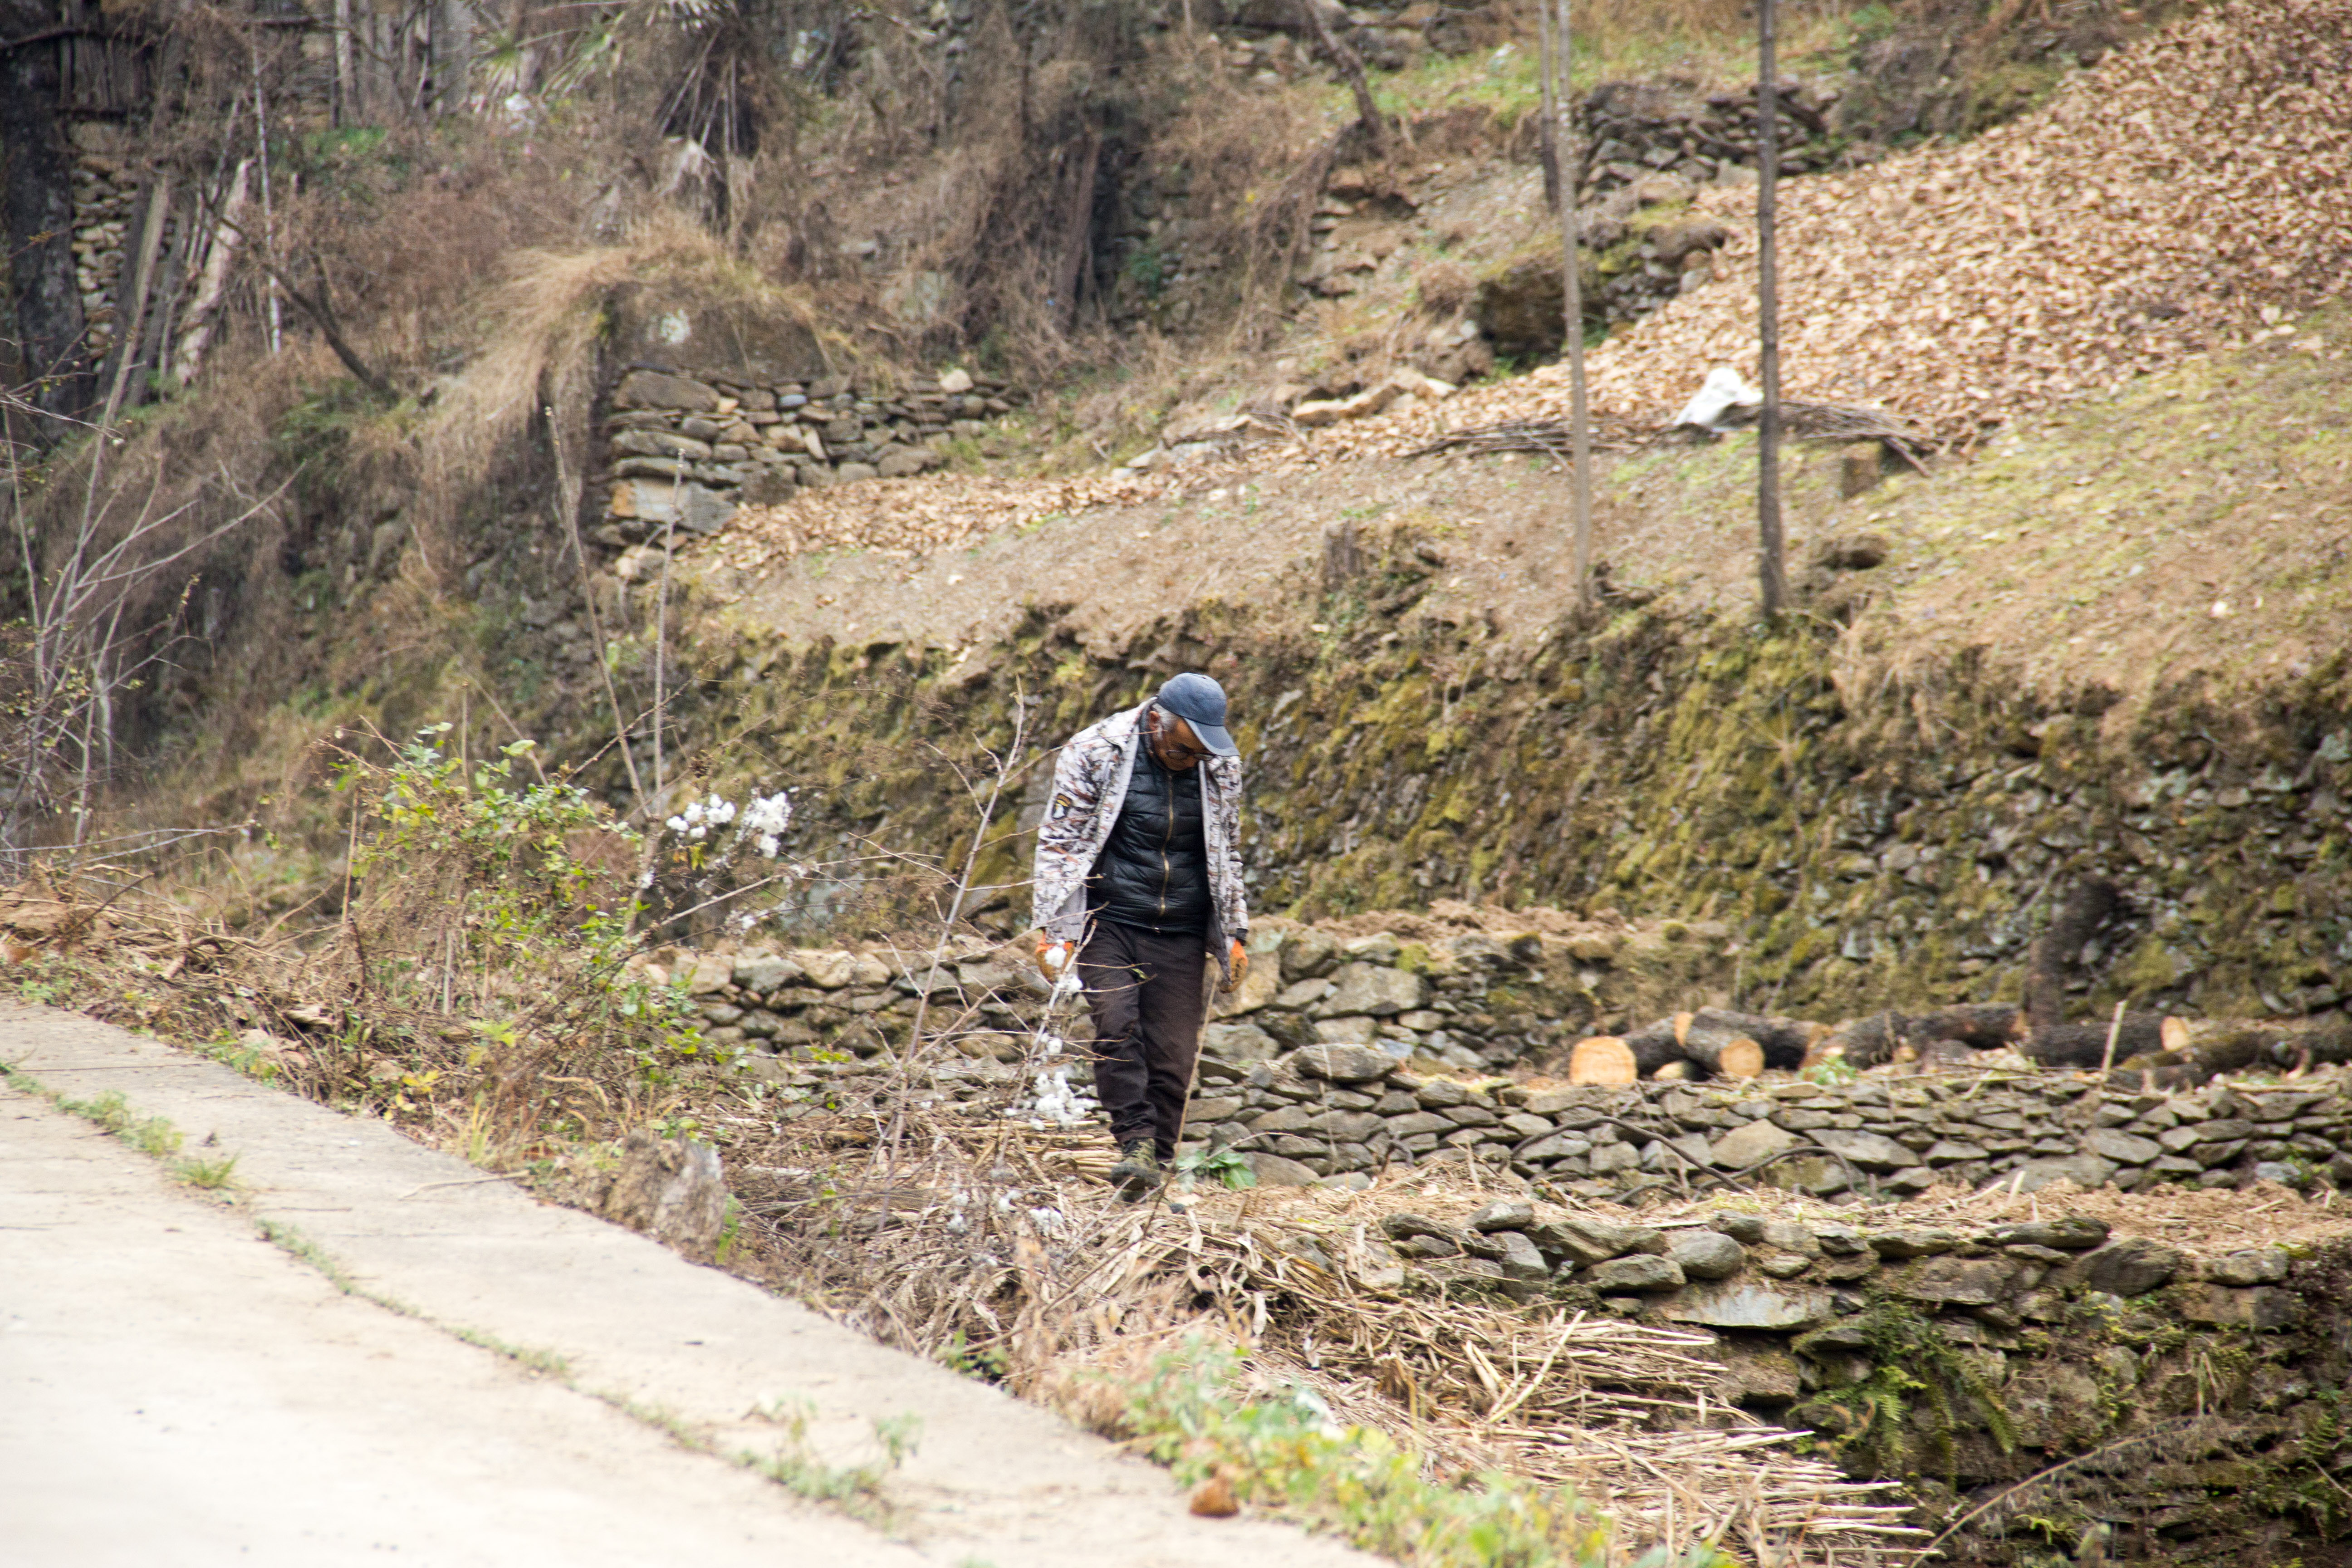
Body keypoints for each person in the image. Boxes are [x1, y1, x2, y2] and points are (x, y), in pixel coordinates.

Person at [1031, 672, 1250, 1199]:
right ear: (1157, 722)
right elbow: (1060, 841)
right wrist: (1053, 930)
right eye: (1182, 750)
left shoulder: (1219, 765)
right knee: (1116, 1026)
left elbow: (1229, 850)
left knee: (1174, 1057)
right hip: (1110, 918)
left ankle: (1155, 1170)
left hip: (1181, 926)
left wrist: (1235, 933)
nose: (1191, 761)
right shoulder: (1095, 752)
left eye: (1200, 754)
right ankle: (1134, 1145)